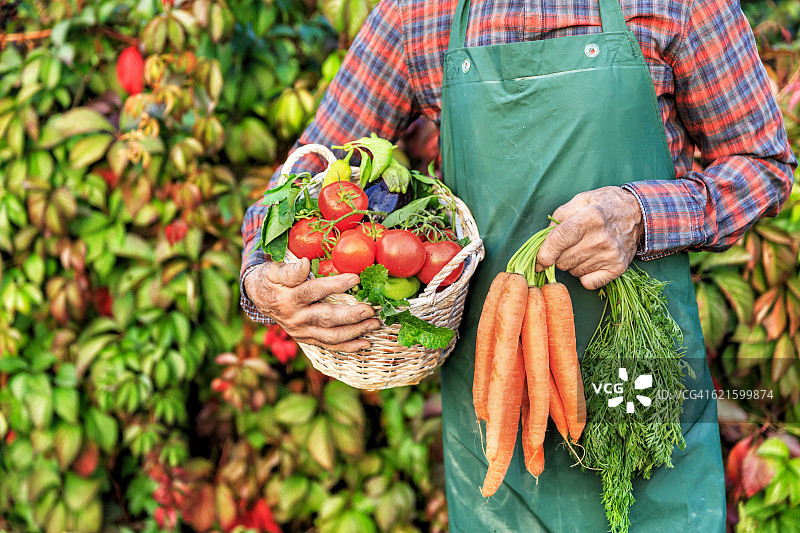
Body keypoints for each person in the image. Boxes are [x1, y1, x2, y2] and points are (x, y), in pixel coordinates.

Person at [240, 0, 796, 531]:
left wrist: (641, 215)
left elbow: (765, 165)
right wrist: (263, 277)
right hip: (494, 412)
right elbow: (307, 177)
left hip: (642, 388)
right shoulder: (416, 13)